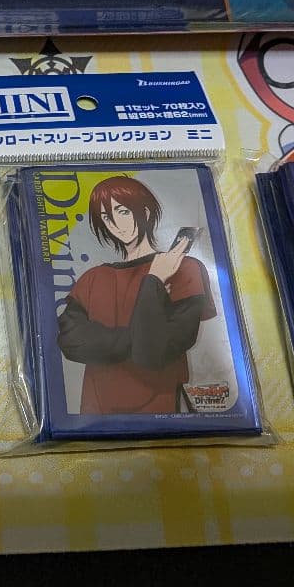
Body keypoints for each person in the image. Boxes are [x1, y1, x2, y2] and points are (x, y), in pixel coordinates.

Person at [56, 175, 215, 415]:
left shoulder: (185, 268)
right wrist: (137, 337)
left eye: (122, 211)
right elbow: (71, 342)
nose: (115, 224)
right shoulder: (92, 278)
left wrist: (154, 280)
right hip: (97, 411)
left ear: (145, 212)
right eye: (106, 217)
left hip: (161, 410)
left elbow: (154, 352)